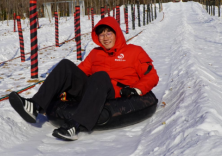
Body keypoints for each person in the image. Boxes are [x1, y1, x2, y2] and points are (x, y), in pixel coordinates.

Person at [9, 16, 158, 141]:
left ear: (117, 33)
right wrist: (63, 89)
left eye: (109, 33)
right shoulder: (95, 53)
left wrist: (135, 90)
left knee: (100, 76)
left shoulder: (134, 51)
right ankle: (34, 106)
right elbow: (79, 73)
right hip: (93, 91)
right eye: (101, 34)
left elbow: (151, 76)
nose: (105, 38)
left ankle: (75, 126)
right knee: (66, 65)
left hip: (117, 94)